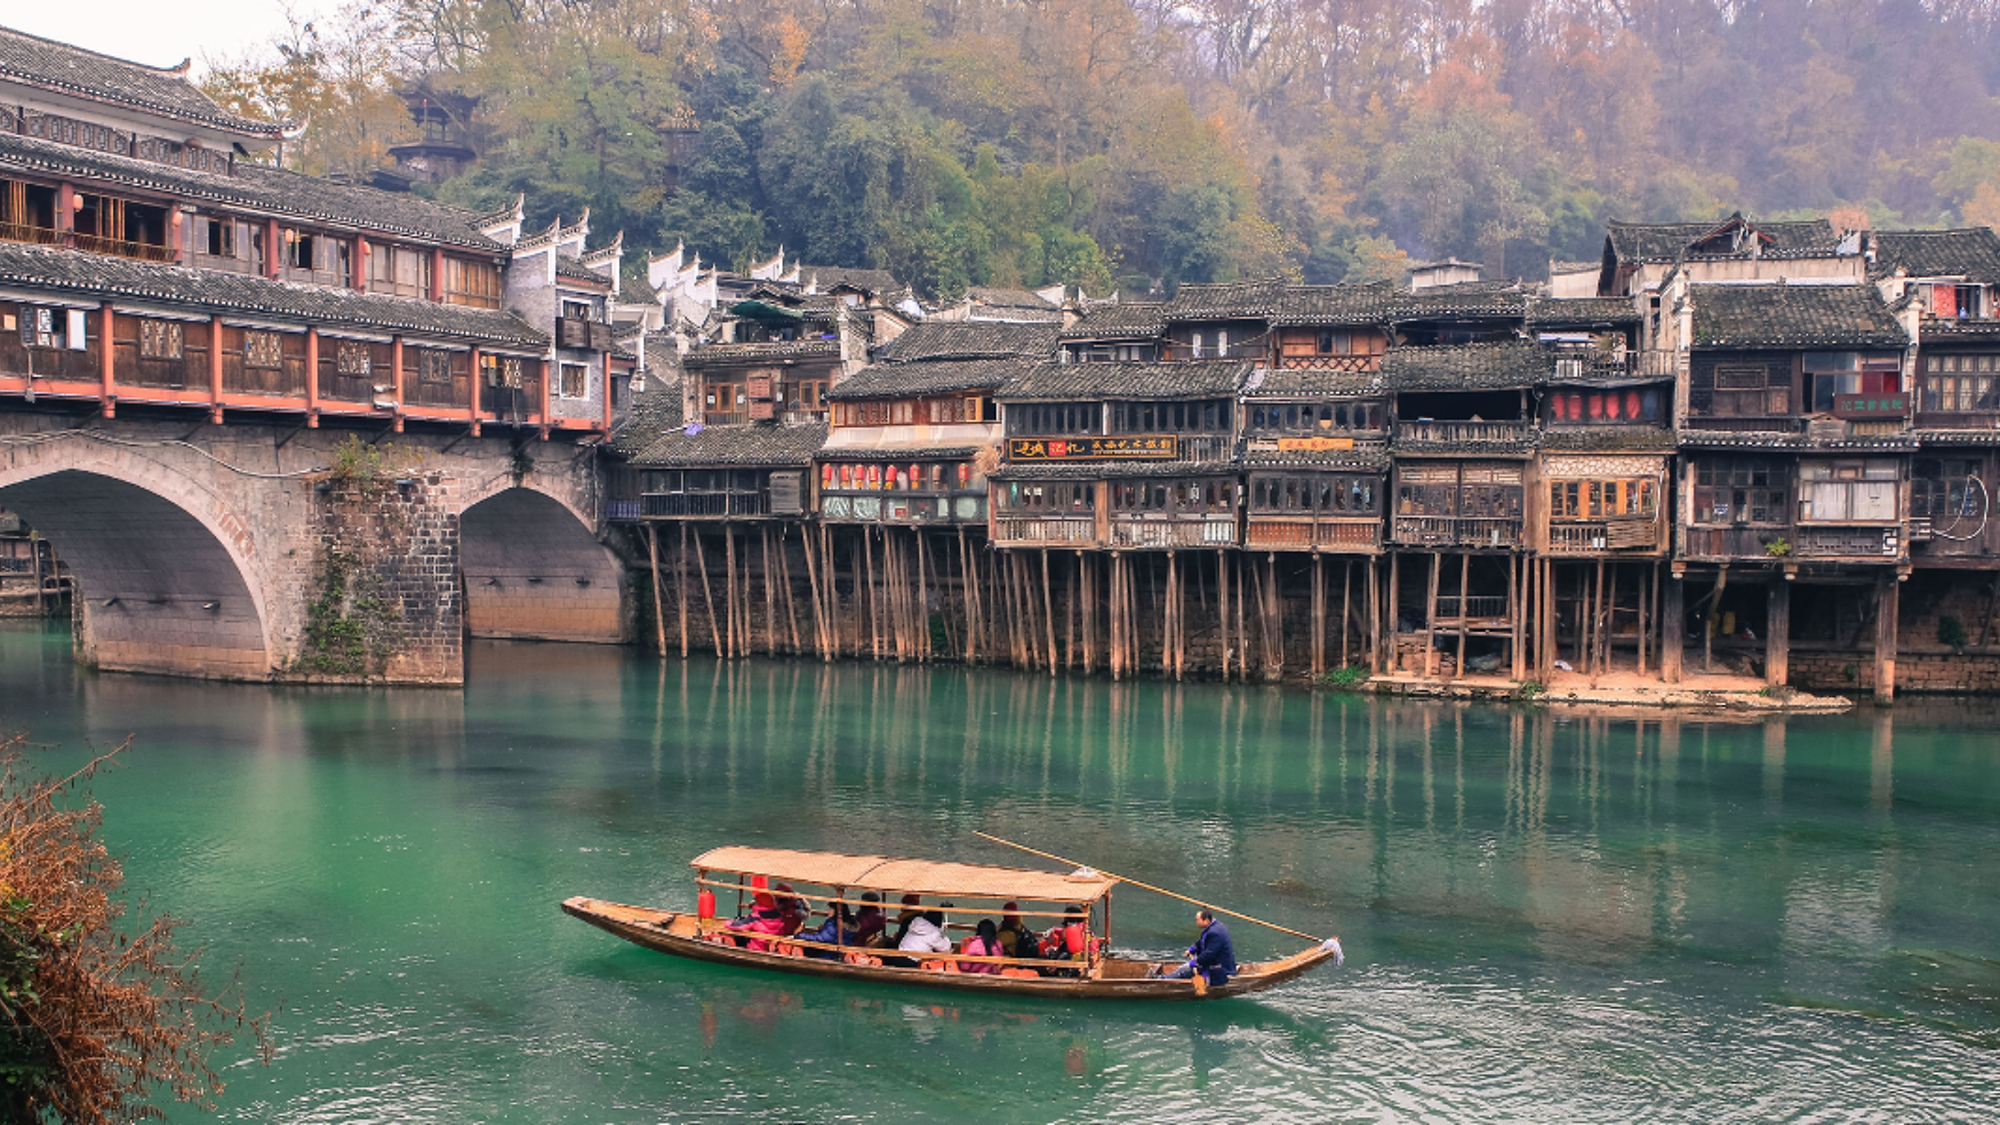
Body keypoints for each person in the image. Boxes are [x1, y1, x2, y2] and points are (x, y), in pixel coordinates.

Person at [1154, 909, 1236, 985]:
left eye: (1198, 920)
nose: (1196, 922)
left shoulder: (1214, 933)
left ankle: (1160, 980)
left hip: (1219, 969)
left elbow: (1209, 955)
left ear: (1206, 920)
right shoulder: (1214, 926)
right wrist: (1193, 948)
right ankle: (1163, 978)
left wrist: (1196, 962)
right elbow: (1203, 941)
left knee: (1184, 970)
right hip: (1212, 963)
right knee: (1183, 967)